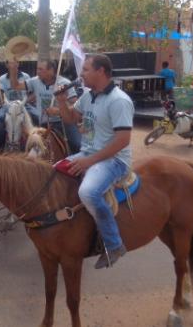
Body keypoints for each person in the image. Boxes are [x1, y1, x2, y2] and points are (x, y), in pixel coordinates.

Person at [56, 54, 133, 269]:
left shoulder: (119, 100)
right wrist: (62, 102)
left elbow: (123, 140)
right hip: (88, 154)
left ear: (101, 71)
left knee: (87, 192)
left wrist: (88, 162)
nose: (81, 75)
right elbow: (72, 119)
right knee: (54, 172)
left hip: (114, 160)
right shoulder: (89, 96)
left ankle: (114, 243)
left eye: (86, 70)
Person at [8, 59, 81, 154]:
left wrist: (58, 111)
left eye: (40, 69)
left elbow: (76, 106)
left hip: (64, 123)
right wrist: (13, 70)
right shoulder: (35, 81)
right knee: (29, 145)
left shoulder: (64, 83)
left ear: (51, 70)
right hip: (43, 123)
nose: (37, 72)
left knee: (77, 144)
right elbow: (16, 86)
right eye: (37, 69)